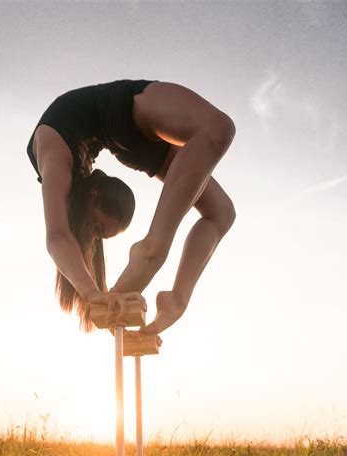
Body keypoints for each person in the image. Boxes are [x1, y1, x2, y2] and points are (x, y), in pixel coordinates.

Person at [27, 79, 236, 334]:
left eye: (97, 225)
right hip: (123, 136)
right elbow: (60, 238)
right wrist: (93, 294)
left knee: (221, 206)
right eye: (101, 232)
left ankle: (174, 292)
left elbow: (57, 236)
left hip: (119, 111)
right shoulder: (69, 172)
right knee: (218, 140)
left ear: (94, 196)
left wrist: (92, 294)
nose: (95, 234)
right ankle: (149, 262)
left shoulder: (55, 154)